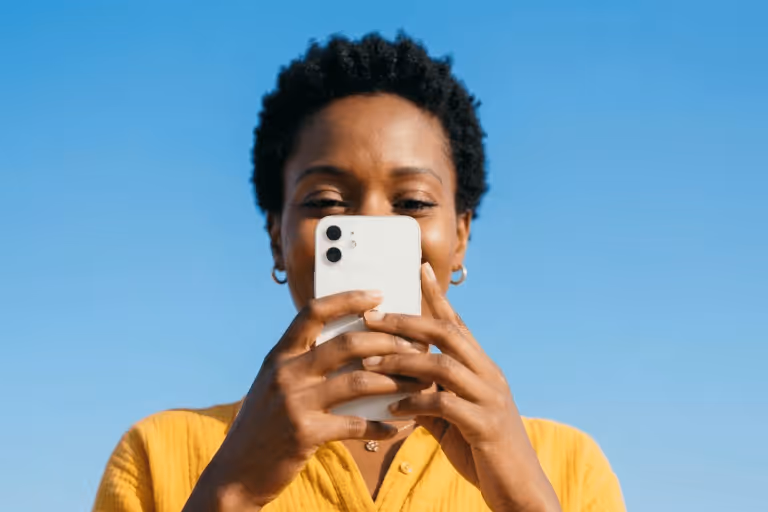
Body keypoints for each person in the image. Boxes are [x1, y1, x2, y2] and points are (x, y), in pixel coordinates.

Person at [92, 32, 625, 512]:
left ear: (460, 236)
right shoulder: (157, 456)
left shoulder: (568, 467)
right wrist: (231, 491)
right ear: (277, 237)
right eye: (325, 201)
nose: (370, 222)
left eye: (413, 201)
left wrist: (527, 498)